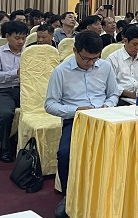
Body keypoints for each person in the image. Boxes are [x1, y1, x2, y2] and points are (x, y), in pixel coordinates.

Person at [45, 31, 119, 217]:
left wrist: (107, 105)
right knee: (65, 153)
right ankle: (68, 196)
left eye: (95, 58)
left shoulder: (105, 66)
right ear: (75, 51)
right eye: (86, 59)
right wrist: (76, 110)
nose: (91, 63)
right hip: (76, 120)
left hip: (105, 117)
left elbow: (113, 94)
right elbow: (50, 104)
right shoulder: (61, 71)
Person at [0, 20, 29, 162]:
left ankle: (27, 146)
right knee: (5, 114)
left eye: (23, 38)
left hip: (23, 89)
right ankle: (5, 148)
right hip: (1, 91)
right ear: (7, 36)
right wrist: (16, 73)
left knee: (39, 110)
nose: (21, 42)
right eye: (17, 38)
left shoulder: (28, 53)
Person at [107, 25, 138, 106]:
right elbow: (110, 85)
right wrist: (131, 94)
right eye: (135, 44)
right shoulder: (113, 59)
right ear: (125, 41)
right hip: (120, 98)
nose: (137, 48)